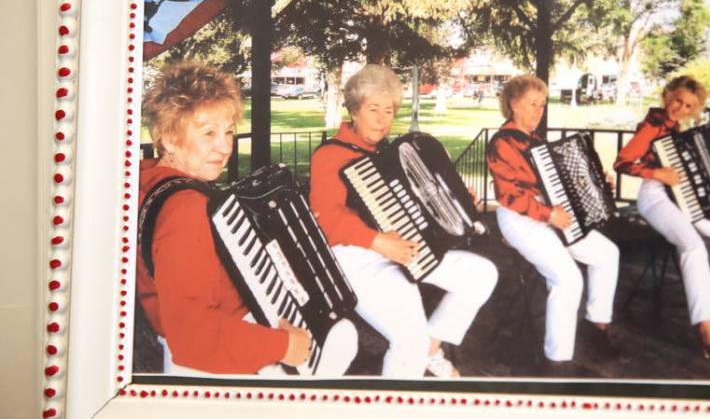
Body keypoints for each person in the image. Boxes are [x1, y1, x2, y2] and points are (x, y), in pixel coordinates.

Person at [136, 60, 358, 376]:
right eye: (208, 133)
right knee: (343, 339)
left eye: (228, 132)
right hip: (214, 360)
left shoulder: (147, 183)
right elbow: (192, 336)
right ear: (168, 138)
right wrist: (282, 346)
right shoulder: (185, 208)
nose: (224, 146)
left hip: (204, 339)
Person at [309, 64, 498, 378]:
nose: (383, 119)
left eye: (389, 111)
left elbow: (423, 201)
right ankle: (394, 410)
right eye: (374, 109)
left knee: (481, 274)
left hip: (406, 248)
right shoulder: (330, 155)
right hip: (357, 258)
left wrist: (459, 204)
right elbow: (326, 218)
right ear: (355, 110)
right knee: (408, 338)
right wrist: (377, 241)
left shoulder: (391, 154)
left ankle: (431, 349)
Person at [486, 75, 620, 375]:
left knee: (607, 253)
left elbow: (559, 183)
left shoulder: (536, 142)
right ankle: (556, 363)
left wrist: (595, 182)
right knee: (568, 279)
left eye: (542, 105)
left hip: (552, 214)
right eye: (532, 104)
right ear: (513, 104)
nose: (538, 111)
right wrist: (548, 215)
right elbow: (509, 195)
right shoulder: (502, 143)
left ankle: (596, 326)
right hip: (520, 219)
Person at [614, 75, 710, 357]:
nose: (681, 108)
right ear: (667, 95)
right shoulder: (652, 125)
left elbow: (693, 171)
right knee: (693, 245)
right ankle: (704, 325)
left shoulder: (678, 131)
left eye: (689, 106)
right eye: (678, 101)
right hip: (655, 196)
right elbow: (623, 162)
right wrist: (655, 173)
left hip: (683, 197)